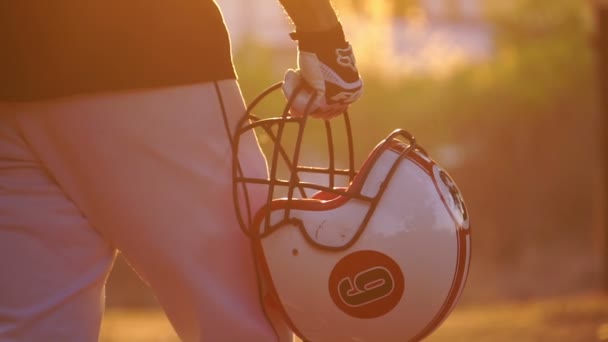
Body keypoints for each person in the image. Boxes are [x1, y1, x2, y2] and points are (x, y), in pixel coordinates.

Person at [0, 1, 362, 341]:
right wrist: (323, 36)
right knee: (242, 323)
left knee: (30, 330)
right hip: (150, 53)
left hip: (12, 72)